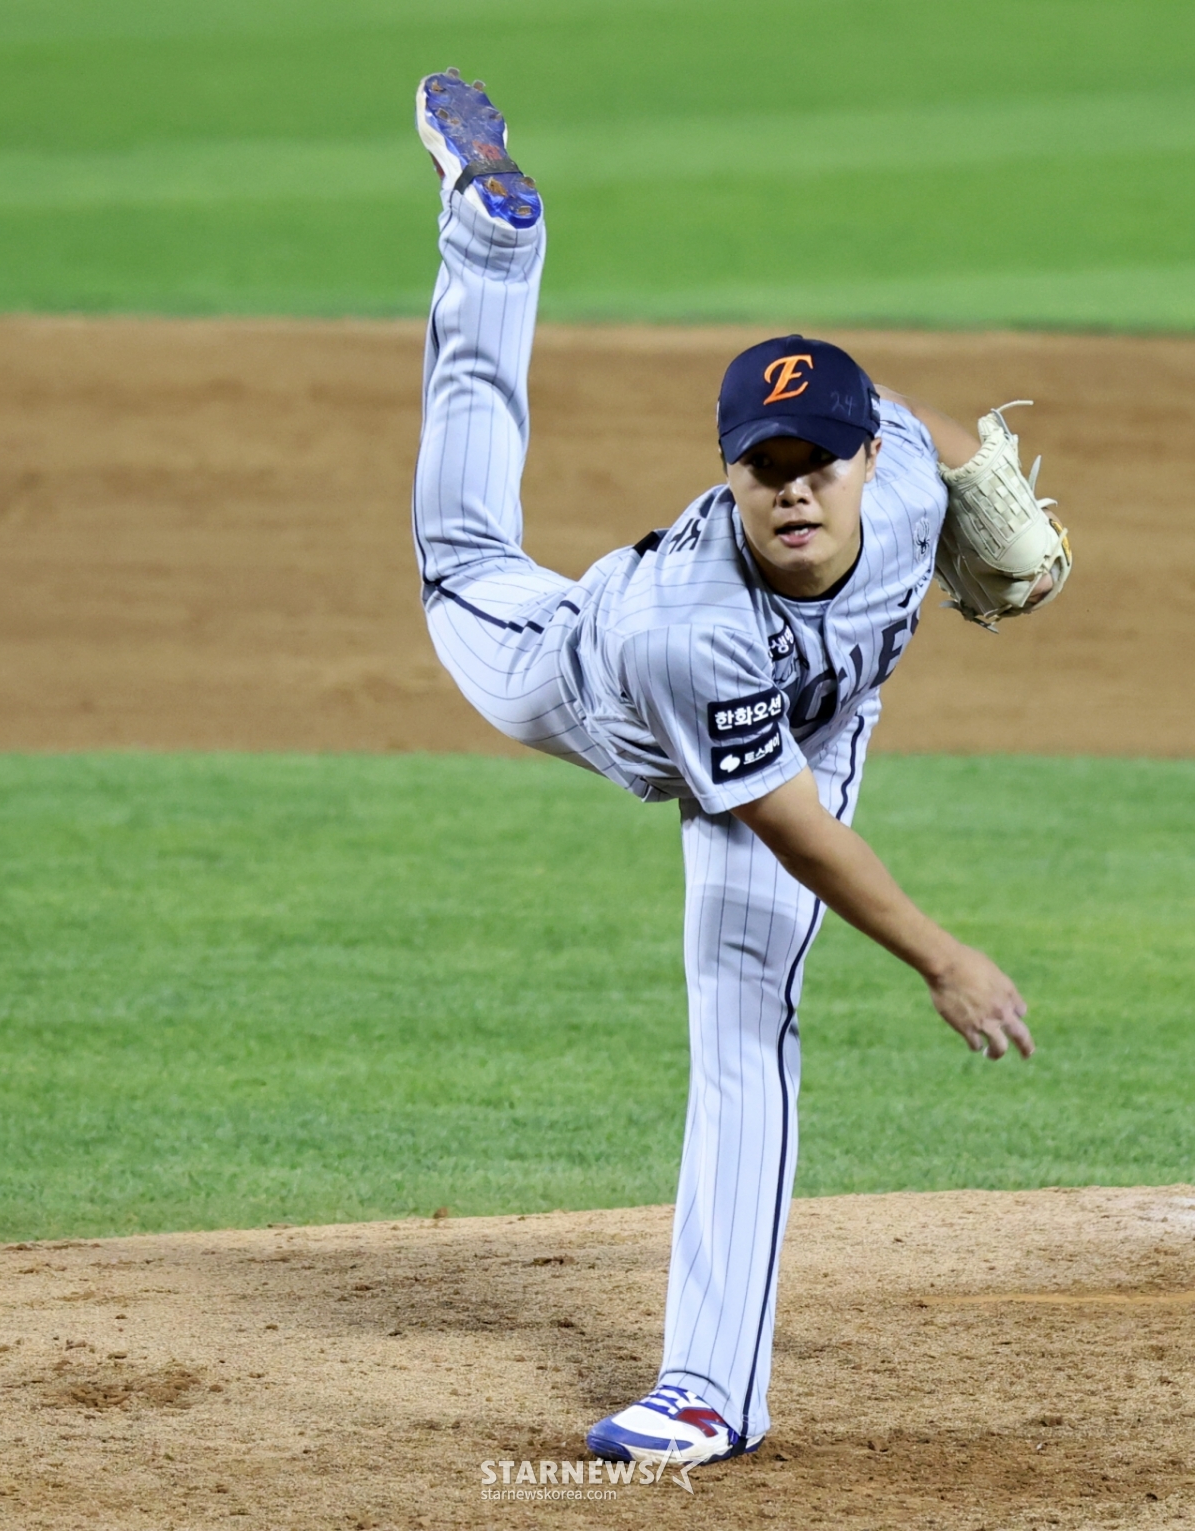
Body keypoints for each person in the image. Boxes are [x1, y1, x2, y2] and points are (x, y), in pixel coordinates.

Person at [412, 69, 1054, 1468]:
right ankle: (493, 247)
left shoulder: (900, 478)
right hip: (603, 685)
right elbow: (790, 827)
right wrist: (942, 955)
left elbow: (915, 421)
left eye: (820, 459)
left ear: (866, 459)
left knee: (746, 1016)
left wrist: (984, 492)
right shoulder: (684, 633)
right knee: (461, 562)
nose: (796, 488)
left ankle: (707, 1389)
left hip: (813, 725)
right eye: (766, 468)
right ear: (729, 472)